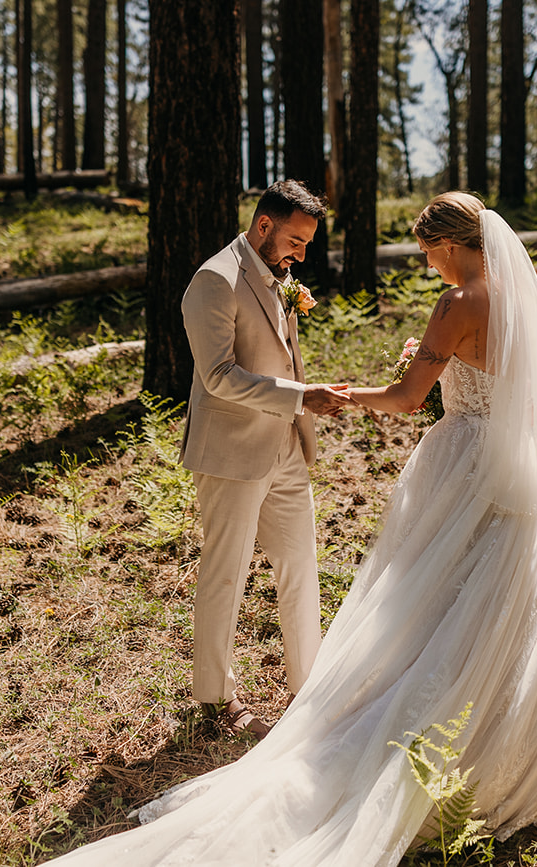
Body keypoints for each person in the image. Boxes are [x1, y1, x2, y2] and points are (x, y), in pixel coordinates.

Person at [40, 192, 537, 866]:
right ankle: (504, 749)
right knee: (496, 607)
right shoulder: (523, 299)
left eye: (426, 254)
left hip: (461, 469)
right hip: (517, 476)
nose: (428, 266)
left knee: (432, 602)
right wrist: (453, 362)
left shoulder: (455, 302)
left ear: (446, 245)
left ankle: (397, 734)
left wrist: (347, 394)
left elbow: (409, 400)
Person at [179, 180, 353, 738]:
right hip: (231, 450)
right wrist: (301, 396)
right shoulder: (214, 280)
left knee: (301, 563)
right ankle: (214, 696)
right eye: (296, 241)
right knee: (225, 572)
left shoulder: (277, 276)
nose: (301, 255)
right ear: (263, 225)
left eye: (306, 245)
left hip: (285, 447)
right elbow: (219, 376)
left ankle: (308, 685)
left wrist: (302, 405)